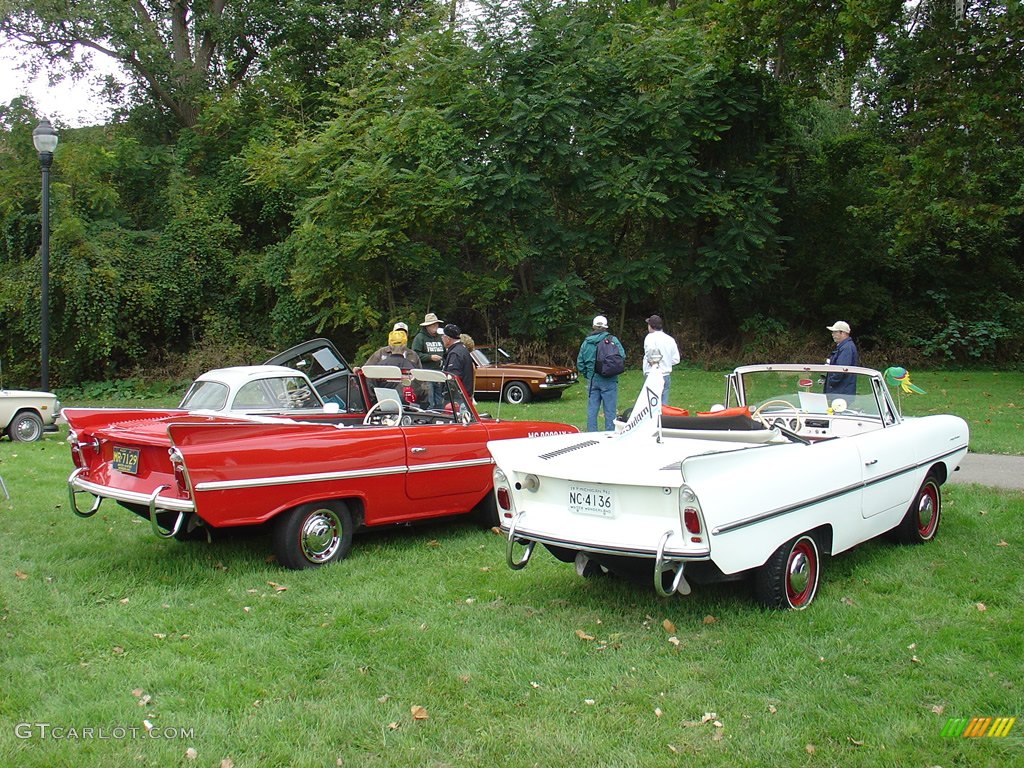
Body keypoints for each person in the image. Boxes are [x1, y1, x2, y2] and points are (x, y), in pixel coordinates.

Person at [577, 315, 626, 432]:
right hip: (609, 380)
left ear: (593, 326)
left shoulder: (586, 343)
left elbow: (580, 363)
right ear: (605, 327)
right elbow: (622, 356)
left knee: (592, 410)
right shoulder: (612, 340)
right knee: (610, 410)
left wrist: (587, 374)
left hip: (592, 380)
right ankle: (609, 434)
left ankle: (591, 433)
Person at [642, 314, 680, 405]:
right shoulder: (670, 339)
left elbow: (649, 355)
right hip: (665, 375)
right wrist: (666, 362)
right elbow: (676, 359)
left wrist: (655, 363)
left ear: (651, 326)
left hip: (652, 374)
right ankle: (663, 419)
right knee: (663, 405)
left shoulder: (650, 337)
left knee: (651, 404)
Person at [412, 312, 446, 407]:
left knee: (439, 399)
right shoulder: (420, 338)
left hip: (438, 372)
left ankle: (440, 416)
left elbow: (444, 352)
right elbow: (415, 354)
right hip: (426, 374)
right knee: (429, 399)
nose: (435, 326)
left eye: (436, 324)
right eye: (433, 325)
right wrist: (430, 357)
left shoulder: (440, 337)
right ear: (427, 326)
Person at [824, 320, 859, 396]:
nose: (832, 334)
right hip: (841, 391)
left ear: (842, 333)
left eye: (835, 332)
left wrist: (830, 382)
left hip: (840, 392)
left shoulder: (846, 348)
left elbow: (840, 370)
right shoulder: (844, 346)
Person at [441, 323, 474, 395]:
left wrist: (446, 393)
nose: (441, 338)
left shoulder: (455, 354)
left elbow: (453, 378)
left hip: (457, 397)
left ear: (448, 339)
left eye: (443, 336)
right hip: (464, 395)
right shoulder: (462, 349)